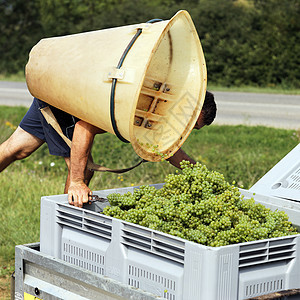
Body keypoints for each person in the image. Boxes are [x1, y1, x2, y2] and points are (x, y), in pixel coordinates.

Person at [0, 91, 216, 207]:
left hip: (51, 91)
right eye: (190, 123)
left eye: (193, 129)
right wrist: (76, 182)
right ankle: (62, 228)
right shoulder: (142, 105)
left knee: (17, 148)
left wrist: (201, 174)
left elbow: (170, 151)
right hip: (62, 101)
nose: (186, 130)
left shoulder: (162, 110)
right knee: (83, 172)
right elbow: (84, 127)